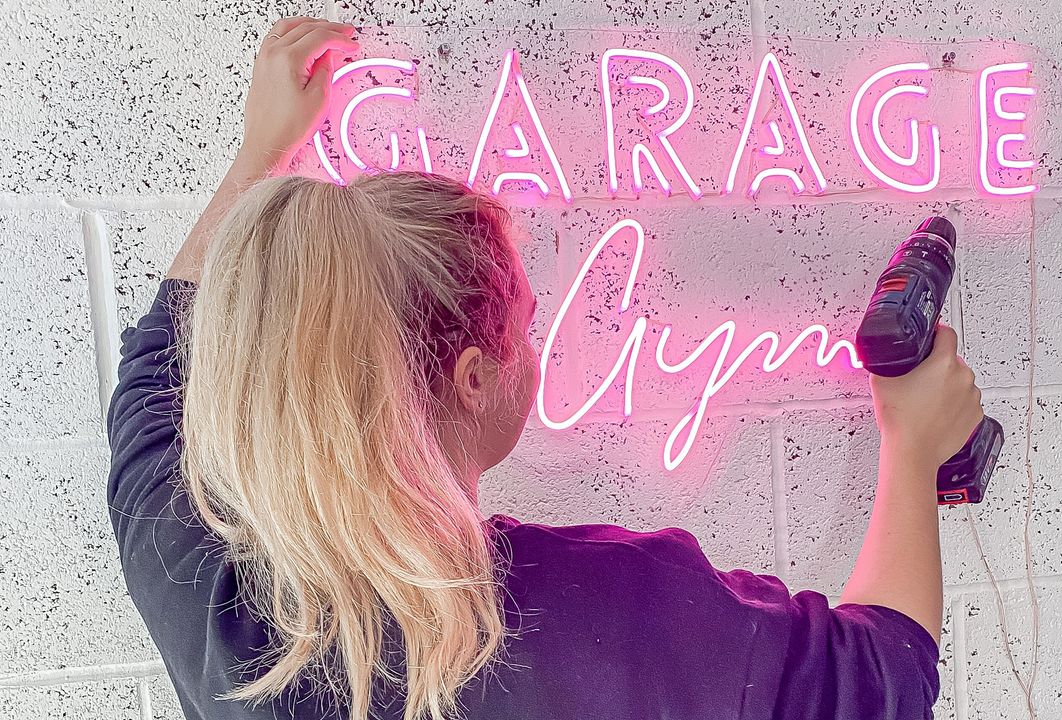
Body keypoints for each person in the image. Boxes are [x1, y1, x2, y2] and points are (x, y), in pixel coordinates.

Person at [105, 15, 984, 720]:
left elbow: (153, 377)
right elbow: (884, 677)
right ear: (475, 376)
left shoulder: (210, 601)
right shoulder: (601, 609)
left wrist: (260, 151)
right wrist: (911, 448)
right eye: (529, 323)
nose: (544, 342)